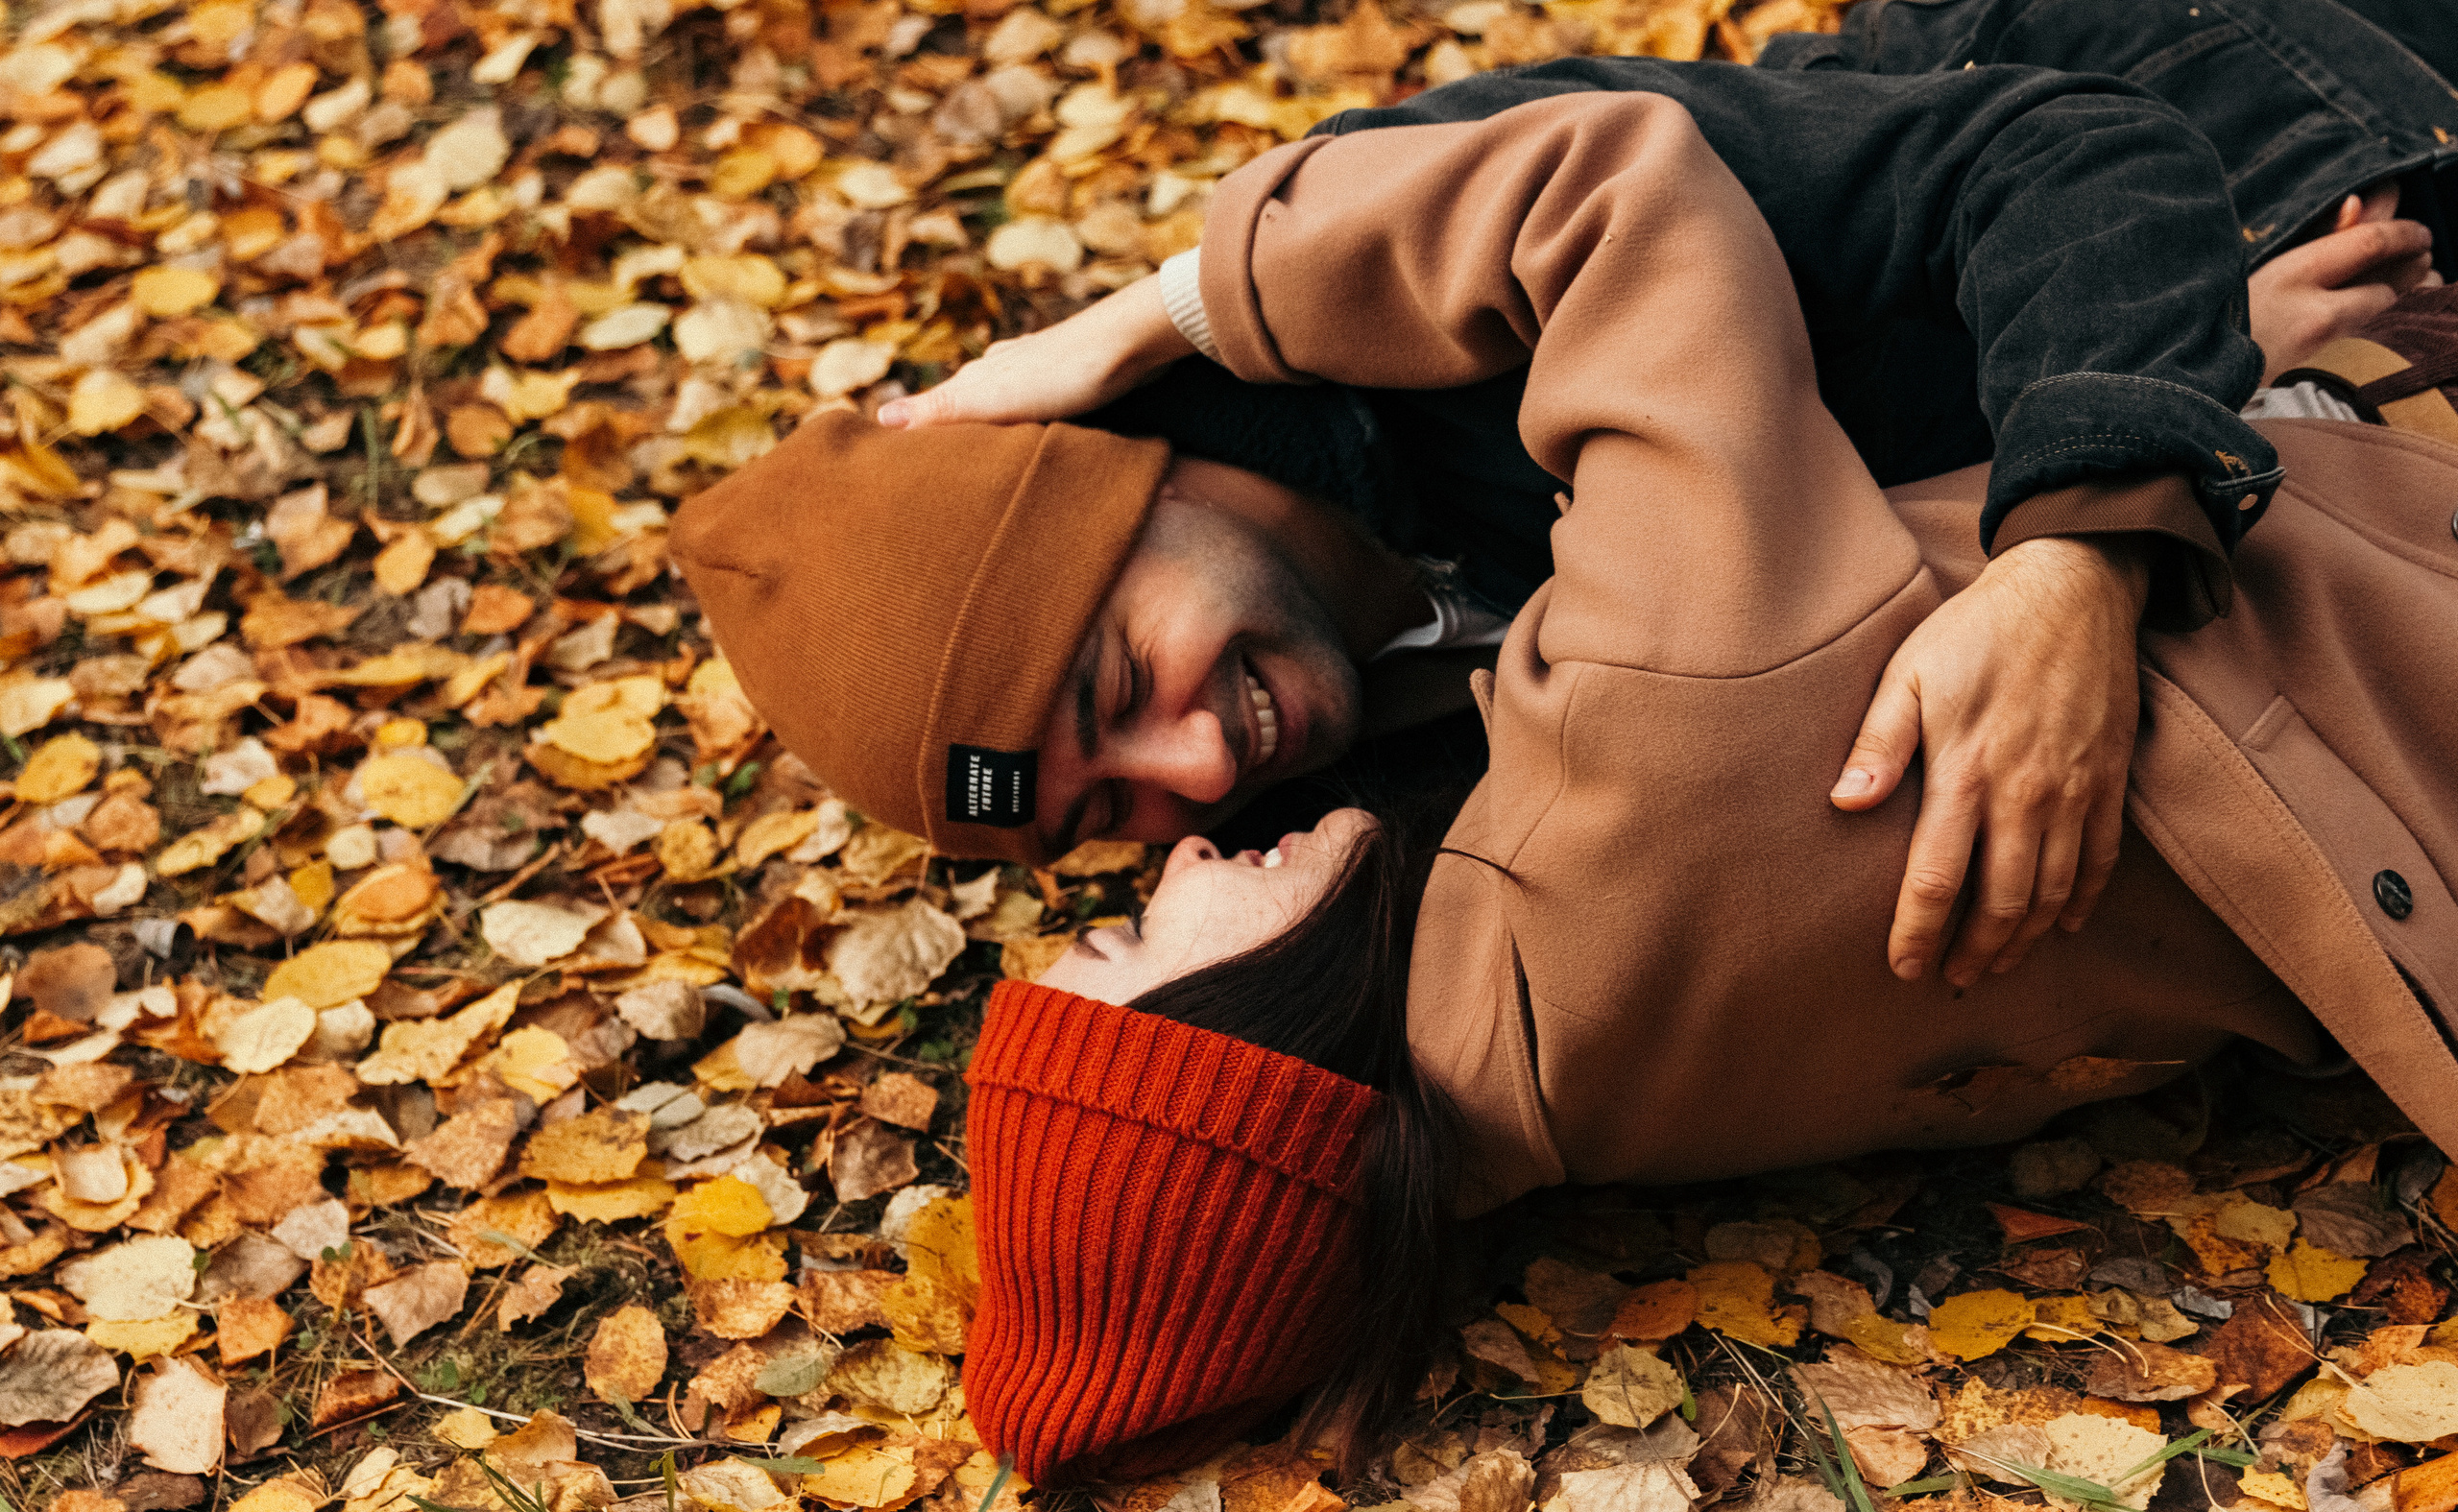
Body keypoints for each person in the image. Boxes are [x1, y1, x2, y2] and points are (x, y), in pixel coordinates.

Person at [944, 126, 2458, 1485]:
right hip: (2385, 569)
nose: (1179, 857)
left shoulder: (1550, 1109)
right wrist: (1163, 312)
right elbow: (1612, 187)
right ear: (1248, 1055)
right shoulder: (1633, 763)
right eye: (1126, 943)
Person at [680, 68, 2290, 989]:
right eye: (1103, 815)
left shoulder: (1431, 221)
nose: (1202, 772)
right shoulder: (1296, 840)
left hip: (2238, 111)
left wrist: (2084, 539)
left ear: (1117, 483)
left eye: (1118, 687)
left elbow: (2074, 155)